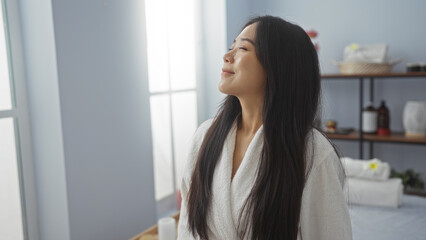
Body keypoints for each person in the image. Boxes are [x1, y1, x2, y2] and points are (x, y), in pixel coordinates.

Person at [177, 15, 352, 240]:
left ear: (278, 66)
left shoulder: (312, 152)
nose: (227, 56)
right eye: (232, 46)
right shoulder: (204, 137)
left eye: (242, 49)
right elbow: (187, 229)